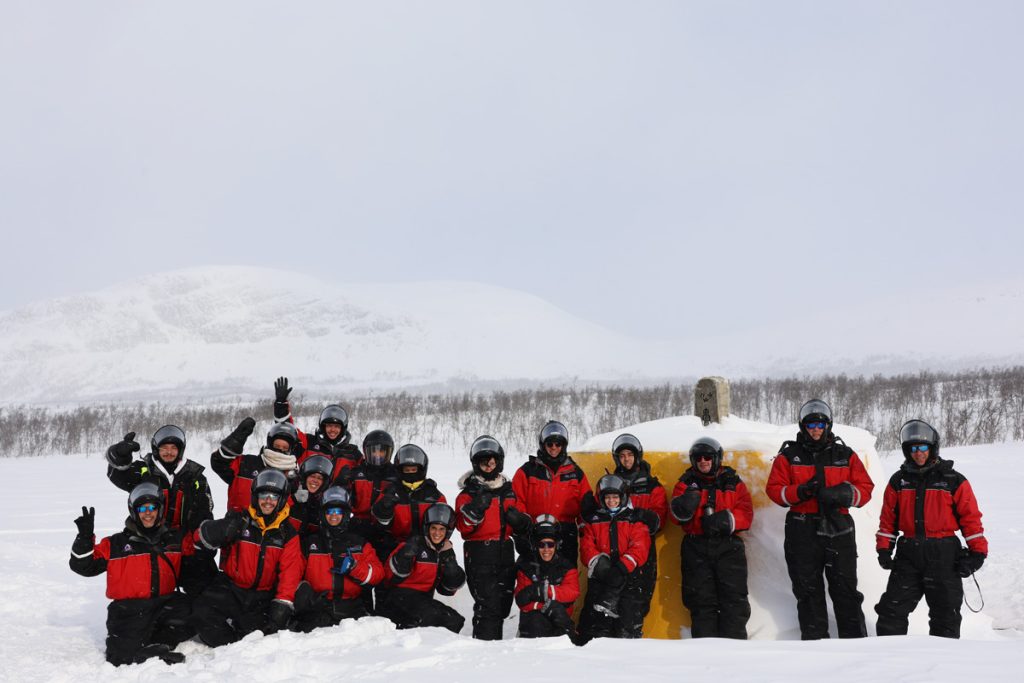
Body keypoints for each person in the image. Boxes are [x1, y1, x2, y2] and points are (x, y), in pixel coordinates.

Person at [765, 398, 875, 639]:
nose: (816, 429)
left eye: (820, 424)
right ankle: (816, 648)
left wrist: (844, 494)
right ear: (803, 426)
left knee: (845, 590)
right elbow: (774, 489)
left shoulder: (844, 454)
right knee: (808, 591)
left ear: (828, 425)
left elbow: (865, 488)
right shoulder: (789, 455)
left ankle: (856, 644)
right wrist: (799, 492)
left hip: (838, 527)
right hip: (801, 529)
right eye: (811, 424)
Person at [874, 420, 988, 638]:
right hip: (908, 554)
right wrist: (884, 549)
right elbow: (888, 519)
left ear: (932, 448)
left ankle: (941, 666)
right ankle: (889, 662)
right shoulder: (899, 481)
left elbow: (970, 519)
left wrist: (978, 552)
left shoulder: (953, 480)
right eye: (913, 449)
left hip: (944, 554)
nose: (918, 454)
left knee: (945, 616)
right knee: (891, 612)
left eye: (923, 448)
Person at [69, 482, 199, 665]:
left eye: (153, 507)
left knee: (198, 612)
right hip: (129, 610)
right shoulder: (116, 544)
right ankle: (144, 652)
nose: (148, 513)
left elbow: (199, 547)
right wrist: (84, 539)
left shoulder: (173, 539)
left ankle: (159, 643)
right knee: (119, 656)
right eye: (142, 508)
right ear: (134, 511)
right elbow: (82, 566)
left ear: (160, 510)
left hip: (165, 603)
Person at [192, 469, 304, 646]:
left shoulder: (287, 534)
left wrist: (282, 603)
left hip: (262, 594)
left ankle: (243, 641)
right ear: (255, 496)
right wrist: (218, 529)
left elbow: (290, 572)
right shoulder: (240, 520)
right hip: (232, 588)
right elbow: (198, 539)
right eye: (264, 495)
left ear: (281, 499)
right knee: (202, 613)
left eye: (273, 497)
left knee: (261, 633)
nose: (268, 501)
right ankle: (228, 646)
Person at [105, 426, 216, 593]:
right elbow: (116, 475)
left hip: (185, 543)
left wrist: (202, 543)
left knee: (205, 588)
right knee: (151, 589)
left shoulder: (195, 477)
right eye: (164, 448)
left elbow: (206, 511)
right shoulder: (143, 470)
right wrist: (119, 455)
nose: (169, 452)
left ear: (180, 450)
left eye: (173, 448)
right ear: (156, 449)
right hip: (149, 541)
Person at [669, 436, 753, 639]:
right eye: (698, 458)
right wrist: (685, 505)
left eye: (708, 457)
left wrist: (727, 520)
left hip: (728, 546)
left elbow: (746, 512)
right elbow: (675, 515)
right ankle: (705, 651)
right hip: (696, 546)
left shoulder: (732, 482)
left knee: (734, 601)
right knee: (700, 601)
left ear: (716, 458)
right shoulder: (685, 483)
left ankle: (735, 648)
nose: (703, 461)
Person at [455, 435, 531, 640]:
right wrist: (475, 509)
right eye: (483, 462)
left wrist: (520, 521)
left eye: (492, 461)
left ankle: (494, 649)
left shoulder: (508, 491)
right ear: (476, 464)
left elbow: (524, 520)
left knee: (504, 604)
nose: (488, 466)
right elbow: (463, 528)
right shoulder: (467, 494)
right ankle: (484, 647)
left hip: (505, 551)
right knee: (488, 606)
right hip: (480, 554)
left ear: (499, 462)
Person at [292, 486, 384, 631]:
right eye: (329, 511)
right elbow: (292, 574)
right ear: (323, 514)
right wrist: (304, 595)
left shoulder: (359, 543)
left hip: (351, 611)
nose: (333, 515)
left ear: (345, 514)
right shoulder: (310, 543)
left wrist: (355, 568)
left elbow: (378, 574)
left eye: (338, 511)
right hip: (317, 610)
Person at [578, 474, 651, 639]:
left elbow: (640, 547)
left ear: (623, 498)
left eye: (615, 497)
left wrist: (622, 567)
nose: (611, 501)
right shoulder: (594, 520)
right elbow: (586, 546)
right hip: (601, 580)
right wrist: (599, 563)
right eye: (608, 497)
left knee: (627, 627)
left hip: (628, 580)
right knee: (595, 629)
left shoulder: (633, 519)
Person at [511, 421, 595, 563]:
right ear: (543, 445)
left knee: (566, 579)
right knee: (533, 578)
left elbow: (585, 505)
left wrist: (585, 530)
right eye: (550, 444)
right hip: (536, 532)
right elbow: (516, 500)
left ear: (563, 446)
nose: (554, 448)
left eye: (558, 444)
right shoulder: (527, 471)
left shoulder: (575, 473)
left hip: (566, 533)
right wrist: (522, 527)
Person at [377, 503, 466, 633]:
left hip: (423, 599)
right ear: (427, 528)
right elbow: (390, 577)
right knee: (436, 619)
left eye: (442, 529)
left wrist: (452, 571)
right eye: (433, 528)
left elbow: (447, 590)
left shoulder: (446, 551)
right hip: (398, 599)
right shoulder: (414, 544)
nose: (437, 533)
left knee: (455, 620)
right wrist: (404, 556)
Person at [609, 433, 667, 626]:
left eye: (630, 455)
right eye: (622, 455)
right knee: (610, 594)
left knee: (639, 598)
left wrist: (644, 516)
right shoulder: (610, 483)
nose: (626, 459)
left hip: (642, 548)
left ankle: (633, 632)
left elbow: (660, 519)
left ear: (637, 456)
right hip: (613, 545)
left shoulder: (652, 486)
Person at [513, 514, 586, 645]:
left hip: (561, 619)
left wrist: (546, 592)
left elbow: (572, 592)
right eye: (542, 544)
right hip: (534, 621)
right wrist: (545, 606)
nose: (546, 549)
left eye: (550, 544)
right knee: (536, 621)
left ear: (556, 545)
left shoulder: (566, 566)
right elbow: (522, 600)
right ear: (536, 545)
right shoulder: (526, 566)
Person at [371, 443, 447, 557]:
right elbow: (376, 523)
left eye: (414, 469)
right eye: (407, 470)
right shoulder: (391, 491)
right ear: (400, 470)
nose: (411, 473)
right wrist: (384, 509)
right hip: (395, 546)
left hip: (428, 546)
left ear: (421, 469)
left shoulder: (434, 495)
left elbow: (444, 523)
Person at [272, 376, 362, 472]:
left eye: (336, 426)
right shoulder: (309, 443)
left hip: (340, 487)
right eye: (329, 426)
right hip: (307, 486)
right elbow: (288, 431)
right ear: (323, 427)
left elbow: (369, 469)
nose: (332, 430)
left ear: (343, 428)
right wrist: (281, 406)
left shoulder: (352, 452)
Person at [211, 417, 300, 513]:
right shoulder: (246, 464)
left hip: (275, 527)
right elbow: (219, 463)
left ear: (291, 450)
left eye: (285, 448)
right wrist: (235, 441)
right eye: (276, 446)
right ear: (270, 444)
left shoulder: (294, 478)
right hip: (237, 525)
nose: (280, 450)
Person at [288, 454, 334, 538]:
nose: (315, 480)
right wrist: (293, 500)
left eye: (319, 478)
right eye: (312, 476)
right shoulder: (290, 492)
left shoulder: (321, 504)